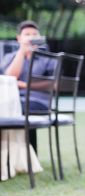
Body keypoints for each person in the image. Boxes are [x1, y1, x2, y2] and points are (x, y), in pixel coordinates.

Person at [1, 20, 57, 151]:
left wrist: (24, 85)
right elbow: (9, 78)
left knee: (11, 106)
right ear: (18, 38)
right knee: (8, 105)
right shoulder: (10, 57)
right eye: (27, 34)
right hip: (13, 99)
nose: (31, 37)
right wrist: (21, 52)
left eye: (34, 34)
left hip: (39, 102)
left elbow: (53, 85)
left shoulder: (48, 58)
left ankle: (26, 157)